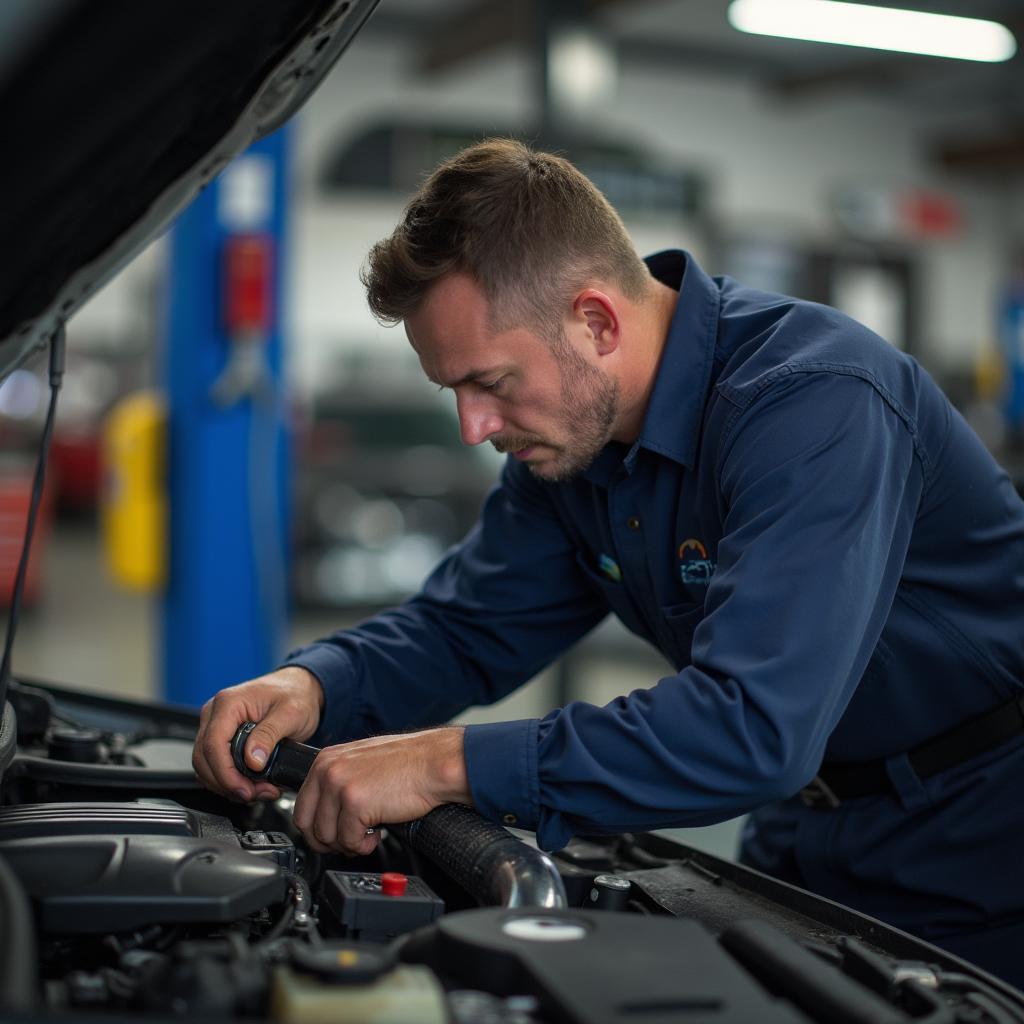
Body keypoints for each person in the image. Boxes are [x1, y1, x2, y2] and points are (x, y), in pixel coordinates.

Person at [194, 139, 1024, 983]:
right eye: (454, 392)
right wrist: (319, 685)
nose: (474, 428)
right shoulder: (568, 447)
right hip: (801, 834)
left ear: (596, 321)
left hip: (976, 848)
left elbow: (749, 725)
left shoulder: (814, 406)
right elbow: (466, 627)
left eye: (491, 382)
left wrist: (443, 763)